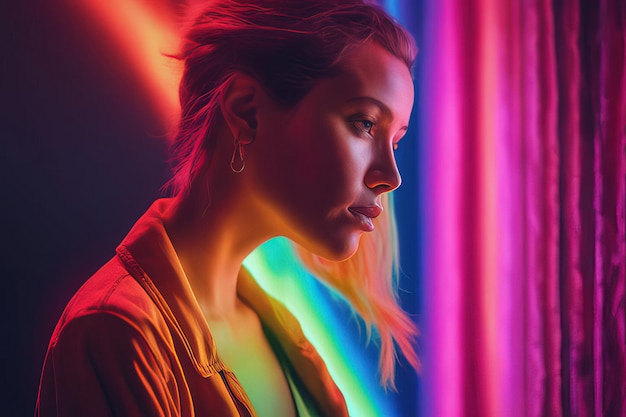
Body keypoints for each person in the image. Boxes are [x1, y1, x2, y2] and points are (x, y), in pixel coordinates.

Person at [35, 0, 419, 416]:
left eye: (395, 141)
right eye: (365, 124)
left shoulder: (282, 334)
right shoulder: (115, 332)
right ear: (245, 111)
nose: (391, 176)